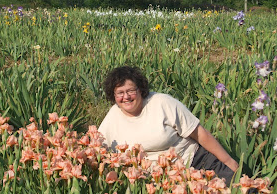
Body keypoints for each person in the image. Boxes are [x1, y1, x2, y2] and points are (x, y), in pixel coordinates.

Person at [98, 66, 239, 185]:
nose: (126, 97)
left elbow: (199, 133)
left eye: (131, 91)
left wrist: (228, 161)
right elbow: (97, 148)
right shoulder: (113, 116)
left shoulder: (161, 103)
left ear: (140, 89)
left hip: (194, 163)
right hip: (157, 181)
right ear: (114, 95)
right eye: (120, 93)